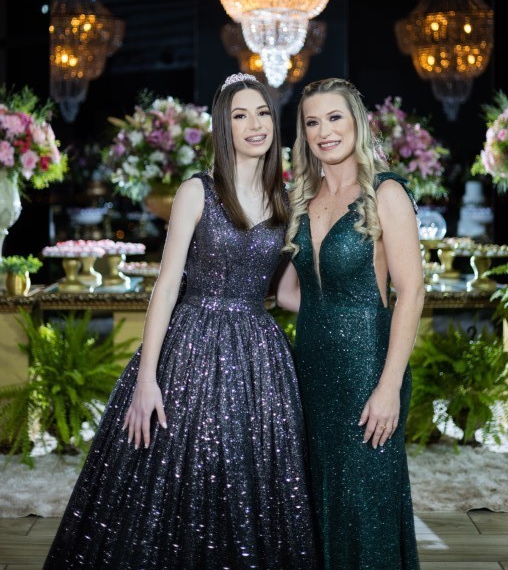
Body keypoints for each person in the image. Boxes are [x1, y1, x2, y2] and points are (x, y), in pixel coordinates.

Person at [44, 73, 318, 570]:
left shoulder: (288, 199)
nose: (255, 124)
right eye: (240, 115)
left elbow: (284, 292)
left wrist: (349, 308)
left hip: (259, 355)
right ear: (223, 127)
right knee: (177, 473)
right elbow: (167, 286)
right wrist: (146, 380)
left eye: (262, 113)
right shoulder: (197, 190)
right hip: (191, 346)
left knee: (252, 474)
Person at [277, 77, 423, 570]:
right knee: (317, 499)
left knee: (365, 506)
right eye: (312, 122)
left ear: (356, 122)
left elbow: (411, 293)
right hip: (311, 370)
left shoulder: (386, 193)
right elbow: (287, 293)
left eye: (334, 118)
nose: (324, 132)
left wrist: (389, 386)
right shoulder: (302, 197)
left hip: (368, 371)